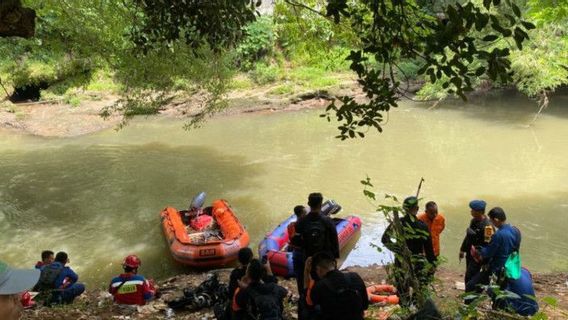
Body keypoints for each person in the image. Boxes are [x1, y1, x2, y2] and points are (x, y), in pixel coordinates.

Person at [381, 196, 436, 305]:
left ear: (404, 209)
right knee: (418, 289)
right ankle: (416, 307)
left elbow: (385, 239)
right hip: (417, 261)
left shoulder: (398, 223)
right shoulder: (422, 226)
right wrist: (432, 264)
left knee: (402, 290)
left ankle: (404, 308)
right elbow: (429, 251)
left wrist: (397, 249)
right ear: (417, 208)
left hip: (401, 261)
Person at [292, 193, 339, 320]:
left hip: (308, 259)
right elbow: (335, 241)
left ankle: (306, 308)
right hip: (324, 260)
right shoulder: (327, 221)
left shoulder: (301, 222)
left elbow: (296, 242)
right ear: (321, 204)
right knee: (325, 284)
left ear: (308, 203)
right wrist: (335, 259)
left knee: (306, 286)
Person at [467, 207, 521, 294]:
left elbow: (488, 253)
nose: (491, 223)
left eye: (491, 220)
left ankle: (469, 305)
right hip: (510, 266)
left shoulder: (498, 235)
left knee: (471, 285)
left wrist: (478, 250)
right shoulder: (516, 230)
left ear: (496, 220)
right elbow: (516, 248)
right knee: (499, 290)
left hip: (497, 268)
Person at [309, 252, 368, 320]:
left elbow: (309, 304)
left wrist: (307, 273)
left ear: (318, 269)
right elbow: (365, 306)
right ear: (334, 263)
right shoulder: (354, 276)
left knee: (314, 309)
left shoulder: (319, 286)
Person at [460, 200, 494, 288]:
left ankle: (471, 296)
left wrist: (486, 262)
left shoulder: (488, 227)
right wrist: (462, 249)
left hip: (479, 257)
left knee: (471, 277)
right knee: (468, 274)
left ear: (479, 212)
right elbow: (468, 235)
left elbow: (489, 245)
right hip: (470, 253)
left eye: (473, 210)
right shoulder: (474, 221)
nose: (471, 212)